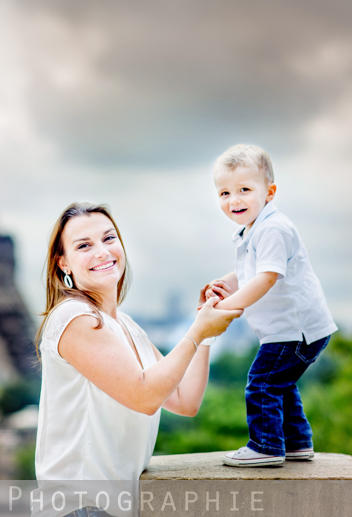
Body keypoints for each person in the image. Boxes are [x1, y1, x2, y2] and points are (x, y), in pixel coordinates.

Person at [34, 202, 241, 517]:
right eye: (84, 245)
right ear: (63, 263)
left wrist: (206, 329)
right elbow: (143, 396)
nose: (102, 251)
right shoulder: (74, 317)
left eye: (109, 238)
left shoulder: (127, 327)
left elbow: (186, 400)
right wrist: (198, 332)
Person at [201, 144, 337, 467]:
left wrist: (226, 310)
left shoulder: (273, 228)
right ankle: (297, 443)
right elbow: (249, 272)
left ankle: (266, 446)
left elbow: (266, 278)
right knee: (280, 382)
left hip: (295, 331)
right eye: (224, 193)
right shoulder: (254, 230)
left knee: (261, 382)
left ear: (270, 192)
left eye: (244, 190)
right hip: (294, 331)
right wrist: (223, 285)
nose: (234, 200)